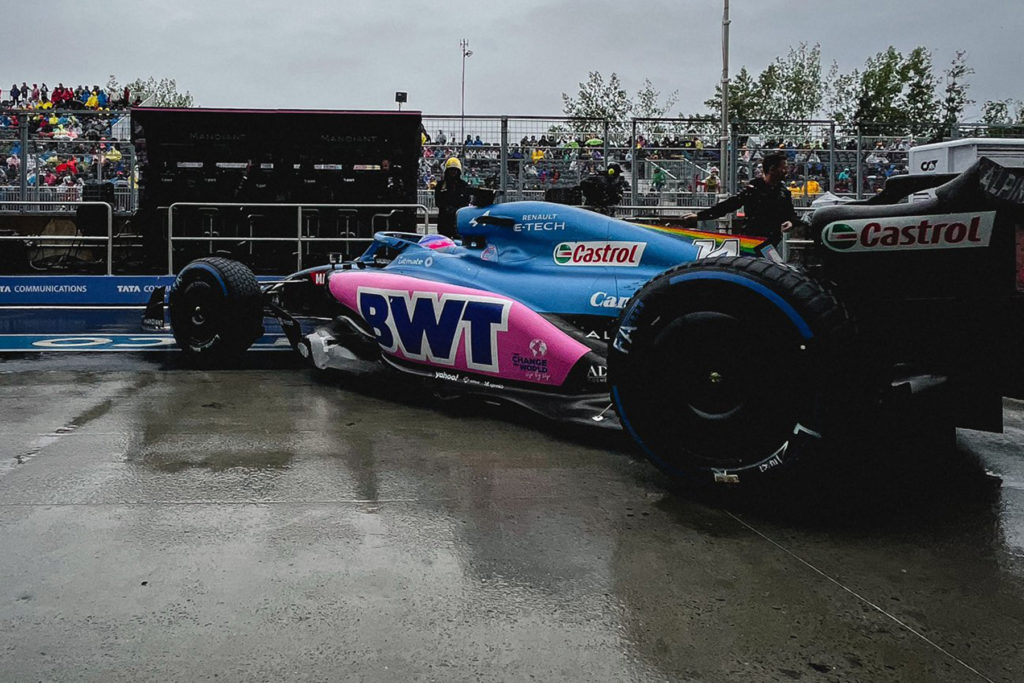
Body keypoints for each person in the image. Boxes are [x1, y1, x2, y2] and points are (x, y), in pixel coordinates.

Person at [683, 151, 803, 251]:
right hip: (751, 242)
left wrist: (791, 222)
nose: (787, 171)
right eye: (784, 168)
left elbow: (791, 214)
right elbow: (729, 205)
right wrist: (699, 216)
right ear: (772, 169)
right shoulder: (753, 189)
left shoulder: (783, 192)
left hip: (772, 244)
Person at [434, 157, 471, 238]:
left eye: (455, 170)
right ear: (447, 171)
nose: (453, 172)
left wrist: (457, 209)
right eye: (451, 170)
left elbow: (466, 201)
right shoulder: (440, 185)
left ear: (459, 171)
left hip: (458, 220)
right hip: (444, 220)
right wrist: (446, 208)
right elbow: (438, 201)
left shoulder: (463, 185)